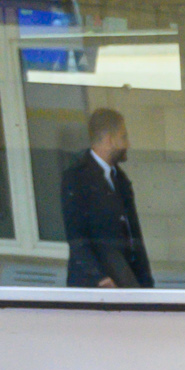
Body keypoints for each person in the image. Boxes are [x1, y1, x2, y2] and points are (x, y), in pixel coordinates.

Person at [61, 106, 152, 289]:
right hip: (95, 287)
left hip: (125, 279)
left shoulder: (120, 179)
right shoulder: (77, 178)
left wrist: (146, 283)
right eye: (124, 137)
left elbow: (134, 236)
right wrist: (99, 277)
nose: (128, 144)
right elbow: (77, 237)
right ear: (110, 140)